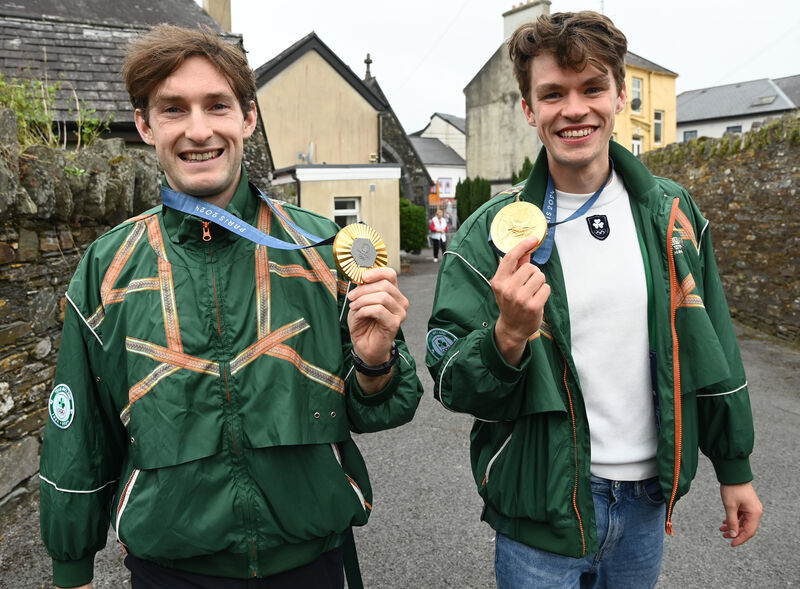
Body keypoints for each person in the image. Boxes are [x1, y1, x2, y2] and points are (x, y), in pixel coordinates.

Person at [39, 25, 424, 589]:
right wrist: (71, 569)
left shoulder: (321, 250)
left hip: (311, 566)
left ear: (246, 118)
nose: (199, 130)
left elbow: (385, 408)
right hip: (170, 572)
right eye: (174, 109)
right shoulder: (107, 267)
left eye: (216, 105)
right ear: (146, 125)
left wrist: (373, 363)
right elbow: (78, 437)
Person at [426, 11, 761, 589]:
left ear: (620, 94)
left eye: (592, 88)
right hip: (541, 511)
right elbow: (451, 382)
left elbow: (715, 346)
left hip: (647, 505)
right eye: (553, 93)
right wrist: (506, 337)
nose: (574, 109)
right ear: (530, 110)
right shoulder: (486, 236)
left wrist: (735, 467)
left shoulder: (673, 215)